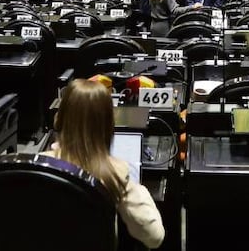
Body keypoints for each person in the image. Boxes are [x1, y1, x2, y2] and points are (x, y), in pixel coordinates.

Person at [44, 80, 164, 249]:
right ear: (108, 126)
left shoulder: (38, 163)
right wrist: (137, 189)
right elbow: (154, 236)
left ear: (60, 119)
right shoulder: (115, 173)